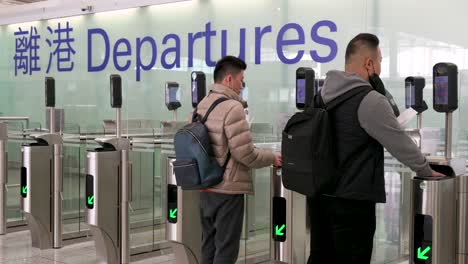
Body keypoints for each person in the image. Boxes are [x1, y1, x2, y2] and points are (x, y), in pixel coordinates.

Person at [307, 33, 444, 264]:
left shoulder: (320, 96)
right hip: (352, 201)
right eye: (380, 60)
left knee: (321, 257)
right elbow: (398, 140)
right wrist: (425, 169)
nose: (380, 67)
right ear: (368, 63)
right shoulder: (369, 99)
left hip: (319, 197)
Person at [195, 55, 282, 264]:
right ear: (228, 80)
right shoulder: (233, 108)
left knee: (209, 244)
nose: (242, 85)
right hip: (228, 190)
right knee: (226, 249)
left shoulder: (201, 105)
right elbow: (245, 154)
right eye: (241, 80)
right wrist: (272, 157)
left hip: (205, 186)